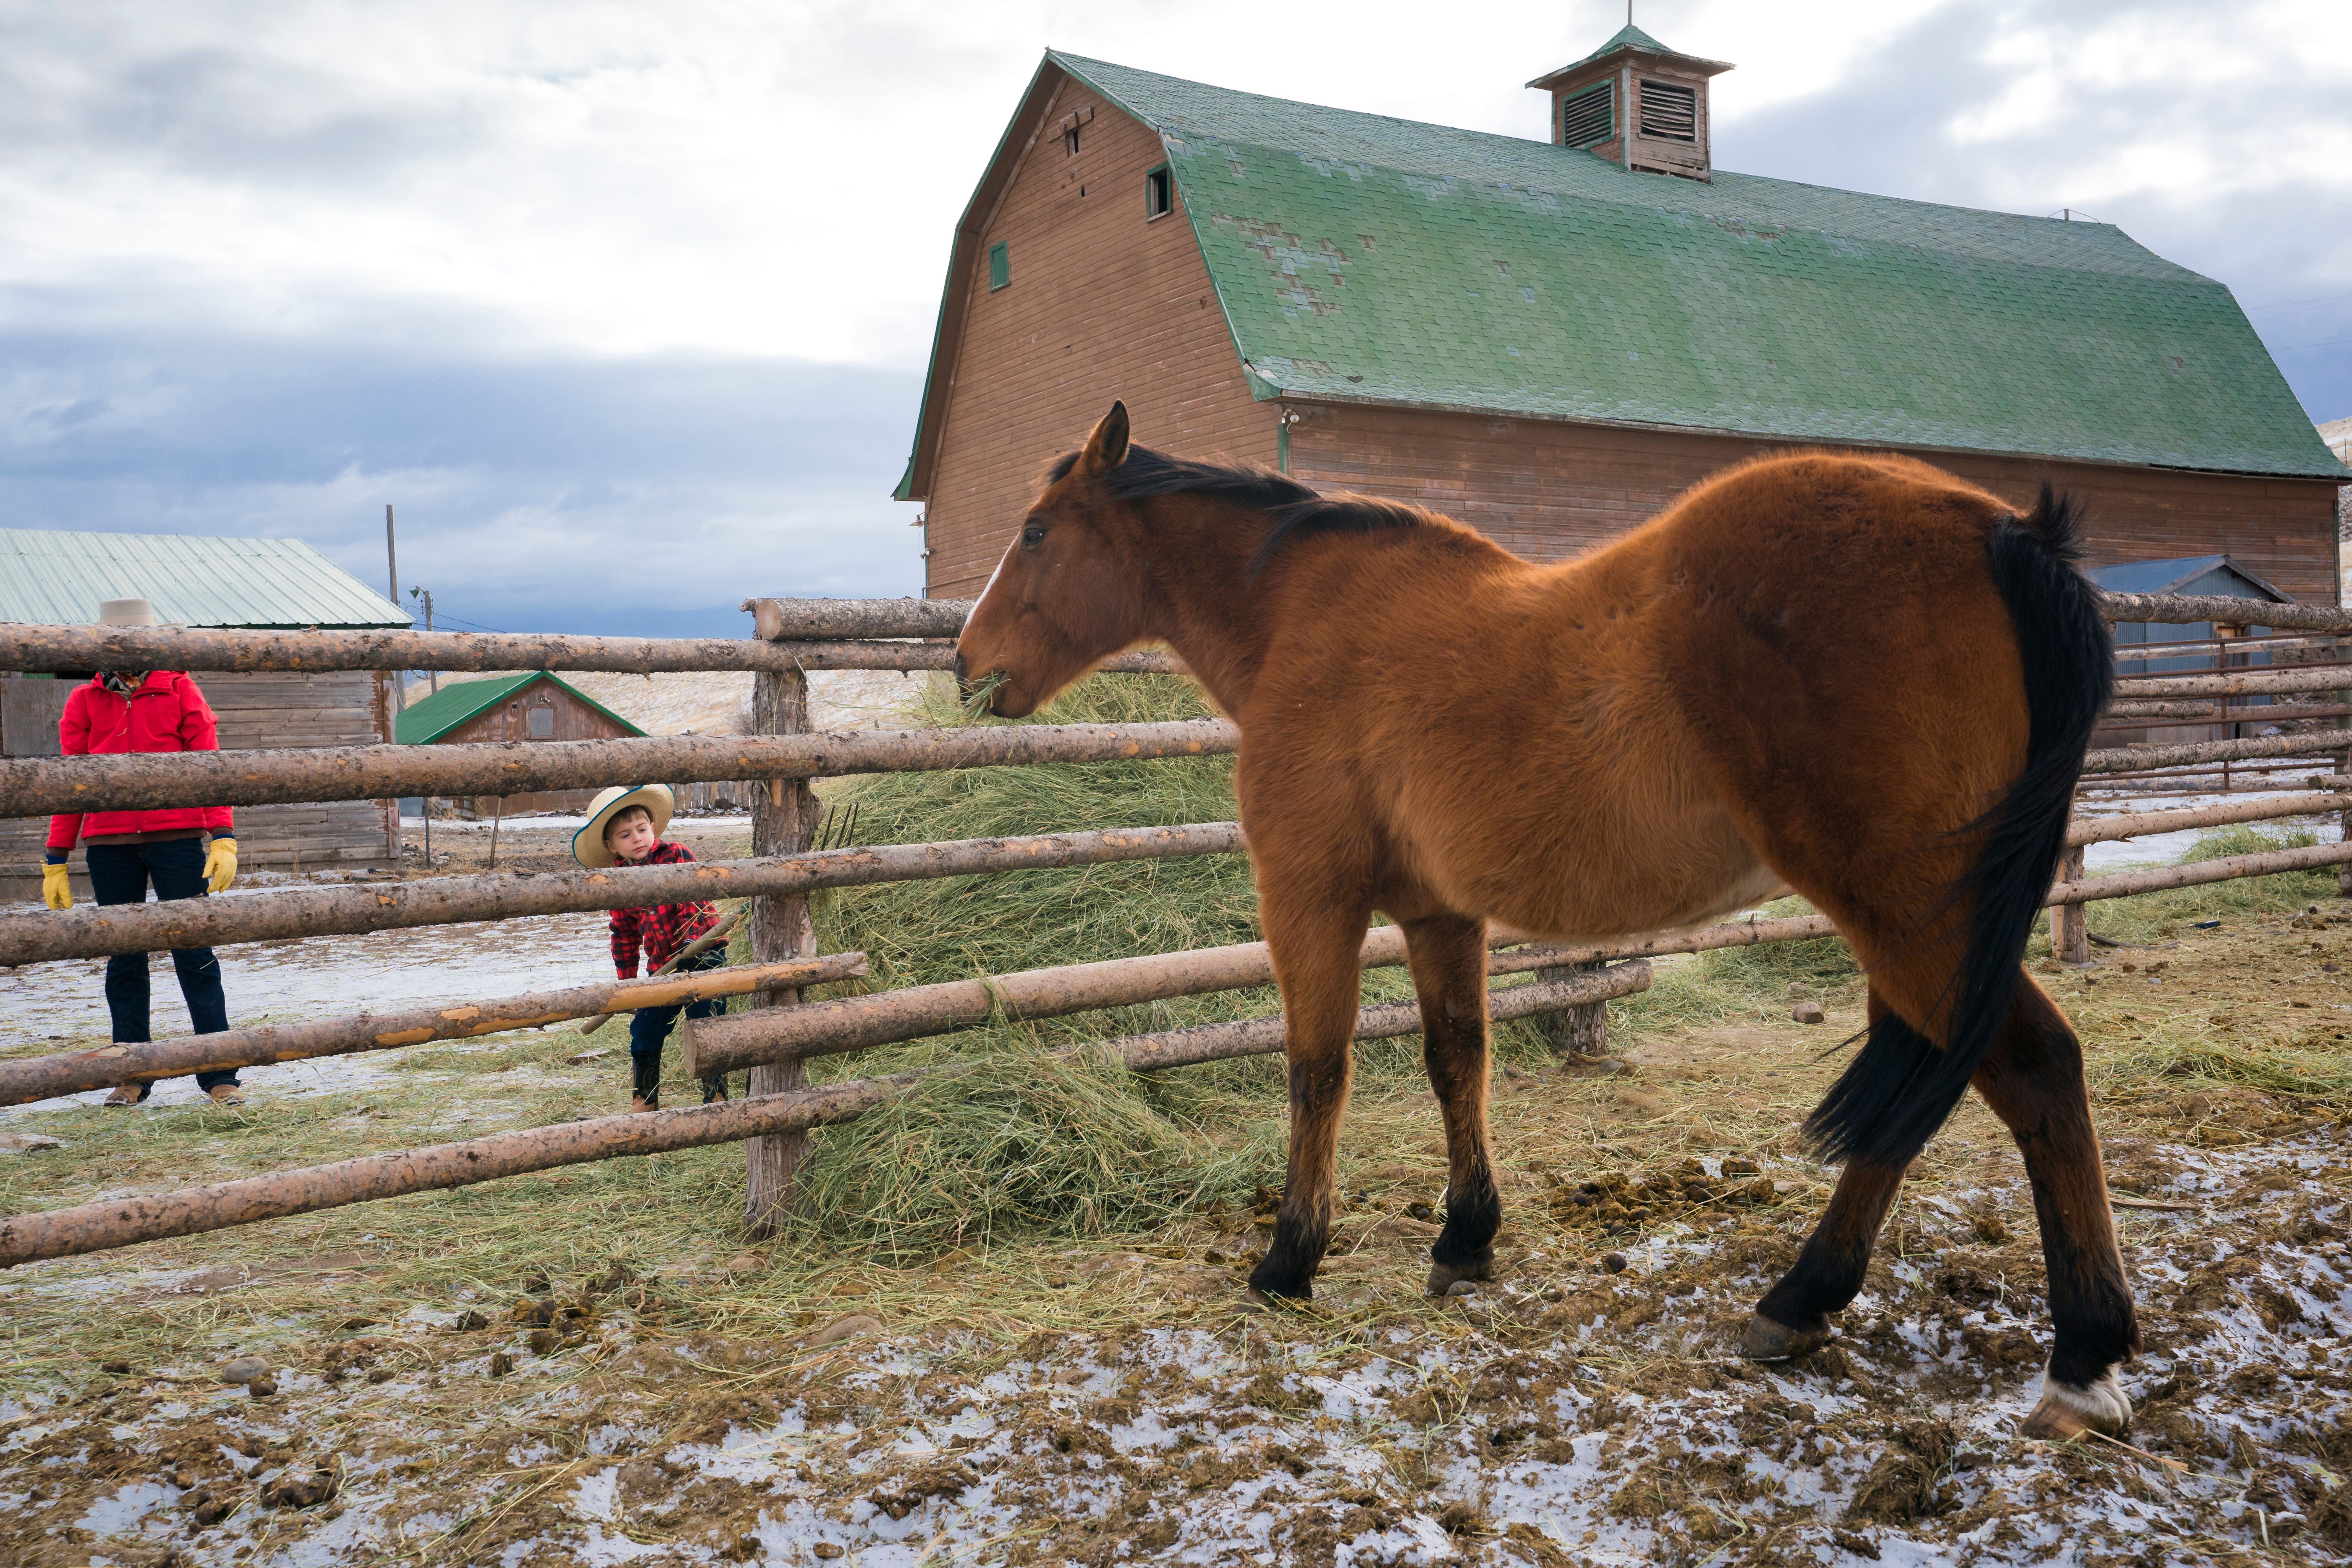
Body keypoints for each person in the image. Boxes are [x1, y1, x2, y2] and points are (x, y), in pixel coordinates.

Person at [43, 598, 244, 1107]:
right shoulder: (84, 701)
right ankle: (132, 1073)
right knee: (125, 958)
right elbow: (70, 782)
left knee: (194, 951)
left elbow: (210, 765)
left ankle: (219, 1075)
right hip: (109, 846)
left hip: (178, 839)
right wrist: (56, 856)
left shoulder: (180, 689)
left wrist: (221, 833)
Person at [574, 784, 730, 1113]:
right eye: (625, 835)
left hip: (704, 954)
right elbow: (624, 934)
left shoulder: (676, 854)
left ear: (653, 828)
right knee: (645, 1029)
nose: (637, 838)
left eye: (642, 829)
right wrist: (627, 982)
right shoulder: (617, 881)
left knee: (707, 1025)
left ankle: (716, 1097)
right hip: (663, 965)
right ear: (611, 845)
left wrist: (691, 941)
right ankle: (644, 1100)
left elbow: (692, 901)